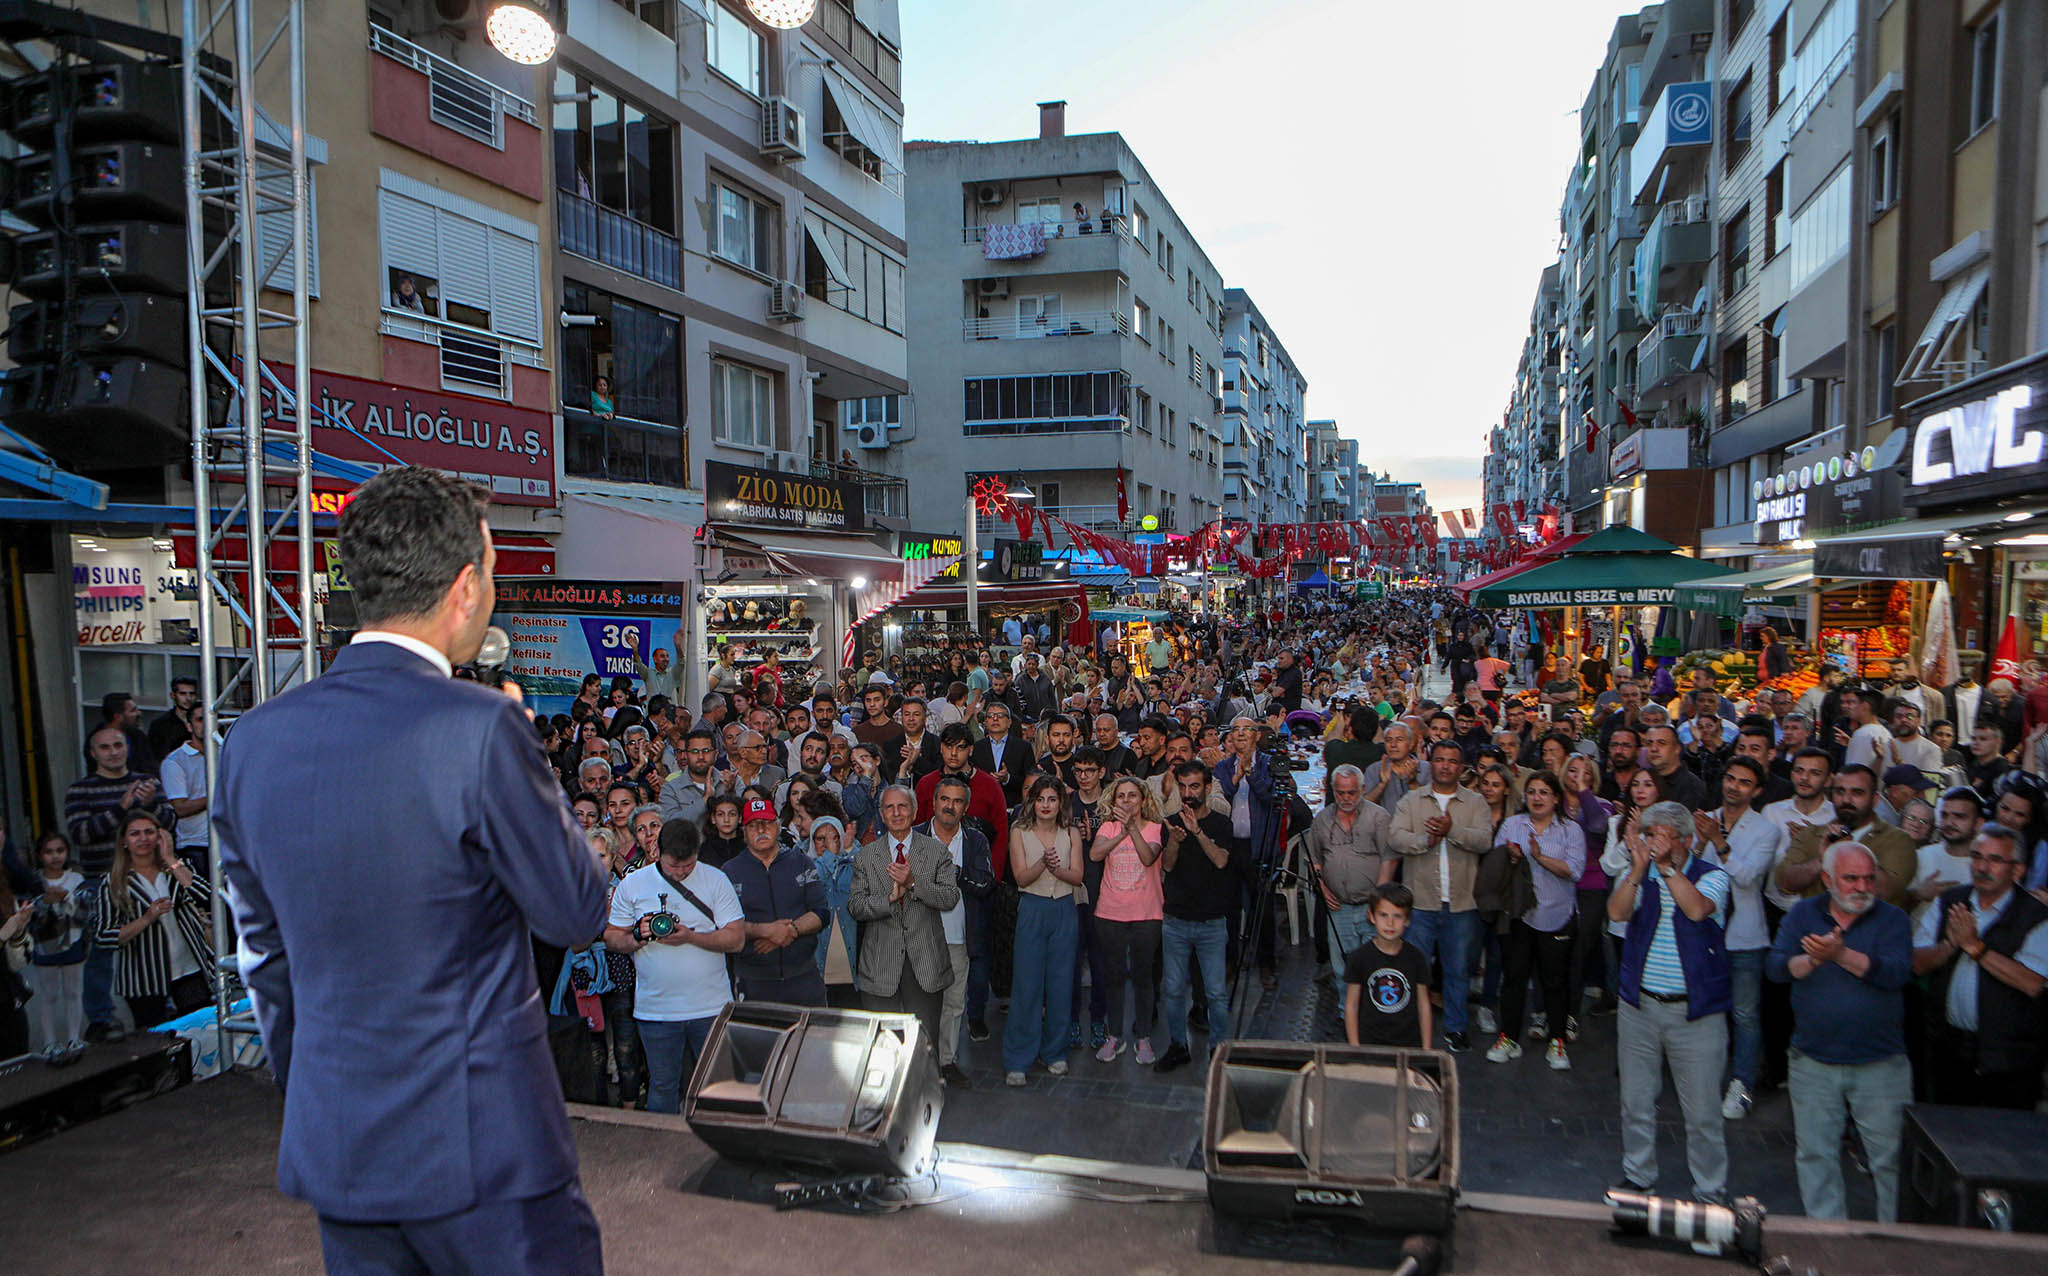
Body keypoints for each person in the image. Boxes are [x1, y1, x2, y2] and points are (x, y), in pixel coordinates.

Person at [213, 466, 609, 1274]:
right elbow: (575, 911)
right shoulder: (483, 727)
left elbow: (265, 958)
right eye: (491, 572)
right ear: (465, 588)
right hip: (484, 1155)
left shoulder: (252, 740)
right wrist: (531, 766)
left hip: (341, 1146)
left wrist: (321, 1088)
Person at [1766, 841, 1915, 1222]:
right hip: (1813, 1062)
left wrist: (1840, 955)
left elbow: (1896, 974)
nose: (1863, 887)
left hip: (1881, 1065)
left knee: (1892, 1162)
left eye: (1869, 878)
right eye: (1851, 879)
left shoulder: (1893, 918)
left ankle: (1898, 1244)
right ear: (1827, 879)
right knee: (1816, 1156)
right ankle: (1828, 1242)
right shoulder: (1803, 913)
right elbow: (1776, 969)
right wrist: (1812, 960)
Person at [1608, 800, 1733, 1204]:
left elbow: (1696, 910)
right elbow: (1616, 913)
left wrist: (1665, 868)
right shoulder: (1638, 874)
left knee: (1702, 1112)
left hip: (1696, 1014)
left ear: (1686, 840)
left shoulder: (1712, 876)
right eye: (1649, 835)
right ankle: (1638, 1176)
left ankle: (1710, 1190)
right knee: (1635, 1102)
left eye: (1663, 836)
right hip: (1639, 1008)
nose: (1653, 843)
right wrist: (1638, 870)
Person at [604, 818, 744, 1114]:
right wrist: (638, 936)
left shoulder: (716, 879)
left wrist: (691, 937)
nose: (680, 872)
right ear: (657, 850)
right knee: (663, 1086)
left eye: (688, 865)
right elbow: (612, 938)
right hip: (656, 1011)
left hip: (711, 1009)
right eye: (672, 866)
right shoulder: (633, 884)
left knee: (717, 1087)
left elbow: (736, 939)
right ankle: (662, 1144)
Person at [1911, 824, 2048, 1110]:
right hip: (1949, 1049)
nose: (1982, 867)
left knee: (2002, 1134)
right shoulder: (1950, 901)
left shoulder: (2036, 916)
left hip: (2009, 1061)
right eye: (1977, 857)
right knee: (1947, 1129)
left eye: (1995, 860)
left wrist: (1975, 947)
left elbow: (2033, 982)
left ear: (2017, 870)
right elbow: (1915, 963)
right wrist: (1949, 946)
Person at [64, 721, 176, 1043]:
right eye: (105, 747)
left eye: (118, 745)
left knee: (157, 943)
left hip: (150, 878)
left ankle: (164, 1002)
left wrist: (151, 803)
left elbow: (170, 824)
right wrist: (121, 808)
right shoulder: (81, 790)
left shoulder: (148, 784)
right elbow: (81, 834)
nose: (113, 753)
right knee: (102, 949)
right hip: (100, 880)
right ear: (92, 753)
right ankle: (100, 1018)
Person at [1692, 755, 1785, 1121]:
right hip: (1704, 930)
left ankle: (1741, 1084)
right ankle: (1703, 1078)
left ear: (1757, 791)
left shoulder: (1766, 830)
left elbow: (1747, 878)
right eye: (1730, 778)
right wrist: (1699, 843)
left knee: (1745, 1014)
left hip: (1745, 935)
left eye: (1744, 782)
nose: (1734, 786)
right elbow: (1688, 870)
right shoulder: (1704, 818)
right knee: (1707, 1011)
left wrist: (1718, 842)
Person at [1390, 739, 1495, 1052]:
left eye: (1452, 761)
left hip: (1461, 903)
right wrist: (1426, 840)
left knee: (1458, 970)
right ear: (1431, 764)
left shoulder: (1475, 803)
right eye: (1440, 759)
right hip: (1420, 902)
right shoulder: (1411, 801)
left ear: (1461, 767)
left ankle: (1456, 1028)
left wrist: (1452, 831)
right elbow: (1396, 837)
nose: (1446, 766)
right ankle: (1410, 1027)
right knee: (1415, 969)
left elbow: (1484, 840)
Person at [851, 785, 960, 1053]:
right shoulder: (865, 856)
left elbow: (950, 897)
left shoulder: (936, 851)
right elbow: (856, 906)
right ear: (881, 814)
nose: (896, 813)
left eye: (902, 806)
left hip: (925, 962)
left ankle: (927, 1082)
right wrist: (887, 899)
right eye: (889, 807)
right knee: (883, 1047)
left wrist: (913, 883)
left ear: (914, 811)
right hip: (880, 964)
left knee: (924, 1045)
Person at [1154, 760, 1244, 1073]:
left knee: (1216, 993)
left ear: (1207, 788)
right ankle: (1178, 1045)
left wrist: (1198, 833)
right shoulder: (1170, 823)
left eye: (1194, 787)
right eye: (1183, 787)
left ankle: (1218, 1050)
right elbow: (1167, 865)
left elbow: (1221, 861)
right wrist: (1175, 841)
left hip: (1211, 922)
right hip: (1176, 919)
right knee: (1174, 990)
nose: (1188, 793)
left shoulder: (1221, 824)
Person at [94, 811, 215, 1030]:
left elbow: (206, 896)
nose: (143, 839)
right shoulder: (113, 882)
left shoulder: (178, 869)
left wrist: (170, 859)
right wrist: (146, 919)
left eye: (149, 832)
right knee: (157, 1039)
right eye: (135, 834)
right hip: (144, 979)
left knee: (200, 1032)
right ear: (124, 841)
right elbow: (103, 936)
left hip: (189, 970)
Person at [1003, 775, 1083, 1085]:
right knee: (1027, 985)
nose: (1046, 805)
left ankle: (1055, 1053)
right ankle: (1018, 1058)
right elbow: (1021, 878)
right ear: (1032, 803)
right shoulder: (1019, 832)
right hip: (1032, 909)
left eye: (1052, 799)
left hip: (1063, 909)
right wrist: (1043, 864)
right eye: (1040, 799)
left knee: (1061, 984)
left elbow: (1077, 876)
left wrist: (1056, 868)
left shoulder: (1071, 832)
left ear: (1061, 802)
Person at [919, 775, 993, 1089]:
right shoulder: (915, 836)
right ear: (934, 802)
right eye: (944, 799)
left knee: (953, 1004)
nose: (950, 806)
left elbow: (985, 883)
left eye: (957, 801)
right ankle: (918, 1064)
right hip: (918, 937)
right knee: (919, 1004)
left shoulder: (975, 840)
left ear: (966, 807)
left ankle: (946, 1062)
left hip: (958, 936)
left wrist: (955, 872)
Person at [724, 796, 829, 1006]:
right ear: (743, 832)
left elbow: (821, 912)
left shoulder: (802, 862)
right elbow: (725, 925)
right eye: (753, 825)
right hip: (753, 982)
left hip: (804, 977)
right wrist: (765, 931)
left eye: (767, 823)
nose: (761, 830)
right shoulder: (729, 872)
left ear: (778, 826)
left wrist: (790, 931)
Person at [1089, 776, 1165, 1065]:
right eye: (1121, 796)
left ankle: (1143, 1037)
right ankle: (1115, 1035)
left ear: (1143, 801)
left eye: (1132, 795)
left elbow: (1148, 858)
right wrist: (1121, 833)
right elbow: (1095, 854)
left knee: (1144, 977)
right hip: (1110, 913)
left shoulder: (1155, 828)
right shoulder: (1108, 828)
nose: (1126, 800)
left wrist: (1133, 829)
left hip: (1146, 914)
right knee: (1114, 976)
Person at [1778, 765, 1919, 912]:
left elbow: (1887, 891)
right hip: (1816, 925)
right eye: (1840, 792)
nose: (1846, 799)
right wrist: (1822, 860)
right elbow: (1784, 883)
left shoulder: (1899, 840)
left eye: (1857, 793)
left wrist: (1851, 850)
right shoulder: (1811, 834)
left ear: (1875, 799)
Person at [1304, 764, 1396, 983]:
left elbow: (1389, 860)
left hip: (1370, 906)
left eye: (1351, 792)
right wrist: (1322, 888)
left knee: (1374, 970)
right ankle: (1345, 1005)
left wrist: (1378, 902)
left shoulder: (1378, 817)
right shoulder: (1322, 820)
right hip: (1339, 907)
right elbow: (1315, 860)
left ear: (1362, 789)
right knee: (1342, 970)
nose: (1346, 798)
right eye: (1340, 793)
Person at [1215, 716, 1281, 986]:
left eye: (1246, 729)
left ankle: (1267, 964)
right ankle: (1229, 960)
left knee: (1262, 908)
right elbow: (1219, 798)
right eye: (1236, 729)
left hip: (1259, 844)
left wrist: (1251, 774)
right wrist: (1237, 776)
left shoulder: (1269, 764)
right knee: (1228, 908)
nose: (1240, 734)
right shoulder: (1222, 767)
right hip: (1230, 846)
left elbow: (1271, 797)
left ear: (1257, 735)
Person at [1343, 883, 1434, 1049]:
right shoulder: (1359, 958)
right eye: (1383, 915)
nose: (1390, 923)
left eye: (1397, 916)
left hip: (1408, 1045)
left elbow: (1424, 1004)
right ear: (1371, 916)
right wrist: (1355, 1048)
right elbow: (1351, 1005)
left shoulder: (1417, 958)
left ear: (1407, 920)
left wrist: (1426, 1049)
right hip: (1369, 1044)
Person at [23, 831, 88, 1059]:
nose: (55, 856)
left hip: (73, 941)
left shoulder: (76, 879)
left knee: (74, 992)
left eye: (60, 850)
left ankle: (74, 1038)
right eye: (48, 852)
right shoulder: (35, 881)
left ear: (67, 852)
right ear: (40, 855)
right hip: (44, 945)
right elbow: (30, 916)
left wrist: (64, 900)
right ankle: (49, 1042)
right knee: (49, 994)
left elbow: (85, 912)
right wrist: (45, 902)